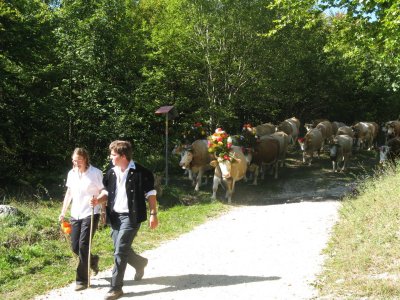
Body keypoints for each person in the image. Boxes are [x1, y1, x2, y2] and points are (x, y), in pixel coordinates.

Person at [92, 140, 159, 300]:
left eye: (113, 155)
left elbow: (151, 194)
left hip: (132, 217)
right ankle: (139, 263)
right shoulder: (111, 172)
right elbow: (107, 192)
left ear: (123, 156)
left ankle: (116, 288)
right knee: (120, 247)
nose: (110, 157)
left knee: (120, 250)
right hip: (115, 216)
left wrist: (153, 214)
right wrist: (98, 200)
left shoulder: (142, 172)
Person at [59, 147, 106, 291]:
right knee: (75, 246)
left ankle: (82, 280)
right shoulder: (71, 173)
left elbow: (104, 191)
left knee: (83, 245)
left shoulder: (95, 173)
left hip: (91, 213)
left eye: (78, 160)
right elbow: (69, 193)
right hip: (75, 213)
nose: (75, 163)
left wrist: (102, 208)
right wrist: (63, 211)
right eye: (74, 160)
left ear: (85, 159)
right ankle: (92, 260)